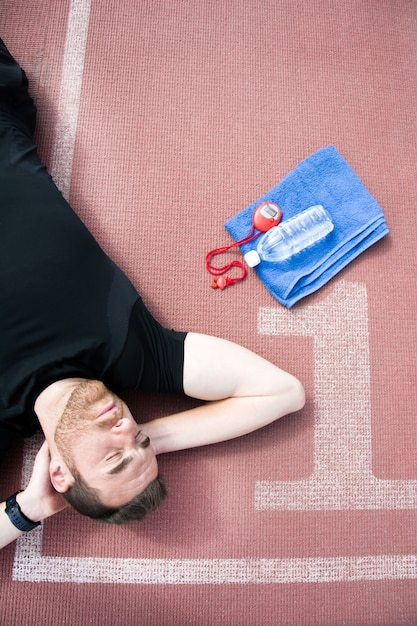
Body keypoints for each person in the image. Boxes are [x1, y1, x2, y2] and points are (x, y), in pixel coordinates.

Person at [0, 39, 305, 550]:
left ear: (60, 477)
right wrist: (150, 437)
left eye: (115, 456)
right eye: (138, 441)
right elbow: (283, 394)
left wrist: (28, 508)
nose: (126, 429)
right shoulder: (130, 351)